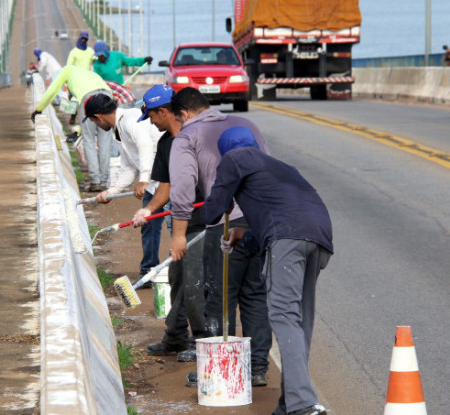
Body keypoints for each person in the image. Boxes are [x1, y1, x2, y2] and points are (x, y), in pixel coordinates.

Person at [200, 126, 333, 415]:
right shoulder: (280, 167)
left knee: (284, 316)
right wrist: (240, 234)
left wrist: (223, 197)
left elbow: (212, 211)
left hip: (288, 238)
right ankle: (290, 404)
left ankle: (303, 405)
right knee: (299, 321)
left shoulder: (235, 159)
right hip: (319, 236)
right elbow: (274, 213)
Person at [167, 87, 271, 386]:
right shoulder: (247, 125)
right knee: (255, 295)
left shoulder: (188, 136)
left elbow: (184, 189)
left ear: (183, 114)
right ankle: (257, 368)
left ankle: (217, 369)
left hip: (226, 225)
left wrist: (179, 235)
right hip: (261, 221)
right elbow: (267, 168)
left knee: (220, 298)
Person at [132, 85, 209, 358]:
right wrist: (149, 210)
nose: (151, 122)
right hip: (181, 221)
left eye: (152, 116)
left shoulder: (200, 137)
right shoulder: (166, 143)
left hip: (205, 221)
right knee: (178, 278)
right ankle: (176, 336)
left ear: (164, 111)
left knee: (195, 283)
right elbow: (165, 186)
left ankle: (203, 343)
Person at [86, 93, 163, 282]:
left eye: (93, 122)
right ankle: (149, 272)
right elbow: (129, 166)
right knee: (148, 225)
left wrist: (143, 179)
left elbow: (145, 145)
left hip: (168, 179)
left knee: (176, 224)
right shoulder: (118, 129)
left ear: (98, 116)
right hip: (153, 183)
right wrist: (111, 191)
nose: (96, 126)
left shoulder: (130, 119)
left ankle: (179, 276)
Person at [31, 65, 113, 192]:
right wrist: (78, 131)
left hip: (89, 98)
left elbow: (52, 91)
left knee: (89, 141)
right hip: (107, 96)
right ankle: (104, 182)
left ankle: (95, 182)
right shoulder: (90, 73)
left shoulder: (67, 70)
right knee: (105, 142)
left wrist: (39, 109)